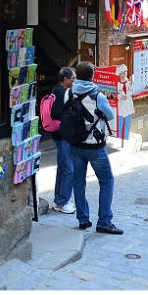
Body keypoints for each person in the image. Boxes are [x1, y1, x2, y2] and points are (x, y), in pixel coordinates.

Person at [67, 61, 122, 234]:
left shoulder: (69, 93)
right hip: (95, 146)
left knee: (78, 182)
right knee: (107, 181)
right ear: (92, 76)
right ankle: (104, 221)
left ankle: (83, 219)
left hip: (75, 144)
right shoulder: (97, 96)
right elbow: (110, 115)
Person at [48, 66, 76, 215]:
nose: (74, 81)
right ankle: (63, 202)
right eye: (73, 78)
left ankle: (59, 200)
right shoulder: (61, 92)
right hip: (63, 134)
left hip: (60, 135)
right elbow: (57, 113)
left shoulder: (56, 89)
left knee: (63, 168)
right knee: (68, 168)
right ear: (65, 79)